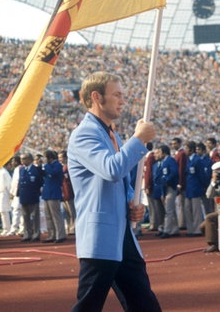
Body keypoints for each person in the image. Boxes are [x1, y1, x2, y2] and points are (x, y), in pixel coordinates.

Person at [67, 71, 161, 312]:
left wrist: (133, 203)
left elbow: (123, 184)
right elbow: (111, 170)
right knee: (88, 305)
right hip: (100, 236)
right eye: (117, 95)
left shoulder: (113, 135)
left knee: (144, 303)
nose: (122, 100)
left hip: (122, 236)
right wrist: (139, 140)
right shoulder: (84, 134)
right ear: (97, 97)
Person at [153, 144, 179, 238]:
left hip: (170, 188)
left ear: (164, 152)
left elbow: (174, 172)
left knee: (169, 210)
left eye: (159, 152)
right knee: (170, 209)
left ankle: (167, 230)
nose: (158, 154)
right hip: (164, 188)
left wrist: (166, 180)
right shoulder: (163, 162)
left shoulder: (170, 160)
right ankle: (174, 228)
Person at [185, 142, 211, 235]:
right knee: (187, 209)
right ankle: (190, 229)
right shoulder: (188, 160)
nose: (185, 150)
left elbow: (202, 175)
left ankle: (197, 229)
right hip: (188, 188)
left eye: (186, 148)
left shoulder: (197, 160)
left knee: (196, 210)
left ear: (191, 150)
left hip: (196, 188)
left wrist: (204, 186)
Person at [17, 152, 43, 242]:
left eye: (23, 159)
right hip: (24, 196)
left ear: (29, 159)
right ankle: (27, 233)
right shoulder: (21, 170)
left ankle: (36, 234)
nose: (22, 161)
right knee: (25, 217)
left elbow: (39, 182)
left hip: (33, 195)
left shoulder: (36, 169)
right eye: (21, 159)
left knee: (35, 216)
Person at [41, 150, 66, 243]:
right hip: (47, 193)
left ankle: (60, 235)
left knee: (56, 215)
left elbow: (52, 173)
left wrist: (45, 166)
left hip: (54, 193)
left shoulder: (57, 165)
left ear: (50, 158)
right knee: (48, 216)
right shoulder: (49, 166)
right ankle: (51, 234)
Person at [59, 150, 76, 235]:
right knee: (66, 212)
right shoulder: (62, 167)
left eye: (61, 157)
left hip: (69, 192)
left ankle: (73, 227)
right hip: (64, 193)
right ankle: (69, 226)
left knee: (72, 211)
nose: (60, 159)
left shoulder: (69, 166)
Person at [0, 160, 13, 236]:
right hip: (0, 193)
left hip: (3, 193)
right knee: (2, 212)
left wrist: (10, 193)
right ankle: (5, 228)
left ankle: (7, 229)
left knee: (4, 212)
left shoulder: (3, 172)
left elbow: (7, 184)